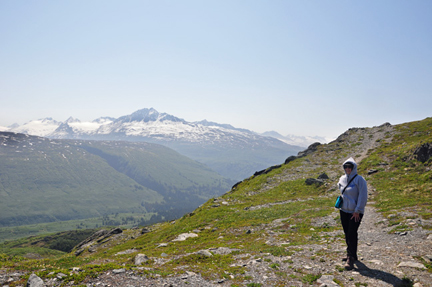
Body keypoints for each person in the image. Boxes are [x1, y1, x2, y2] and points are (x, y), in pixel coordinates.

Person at [338, 157, 368, 270]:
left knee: (351, 233)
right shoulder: (342, 179)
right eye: (345, 167)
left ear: (353, 167)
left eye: (349, 167)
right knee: (347, 233)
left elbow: (363, 196)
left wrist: (358, 210)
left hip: (355, 212)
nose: (347, 169)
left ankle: (350, 258)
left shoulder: (360, 180)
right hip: (344, 211)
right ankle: (352, 254)